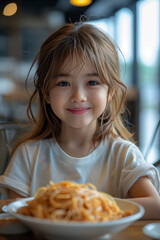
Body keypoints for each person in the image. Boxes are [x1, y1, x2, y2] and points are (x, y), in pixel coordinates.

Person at [0, 22, 160, 219]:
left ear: (110, 91)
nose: (78, 96)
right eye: (63, 83)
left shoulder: (122, 154)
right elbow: (15, 213)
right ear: (46, 92)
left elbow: (154, 206)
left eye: (92, 82)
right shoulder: (28, 155)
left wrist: (84, 203)